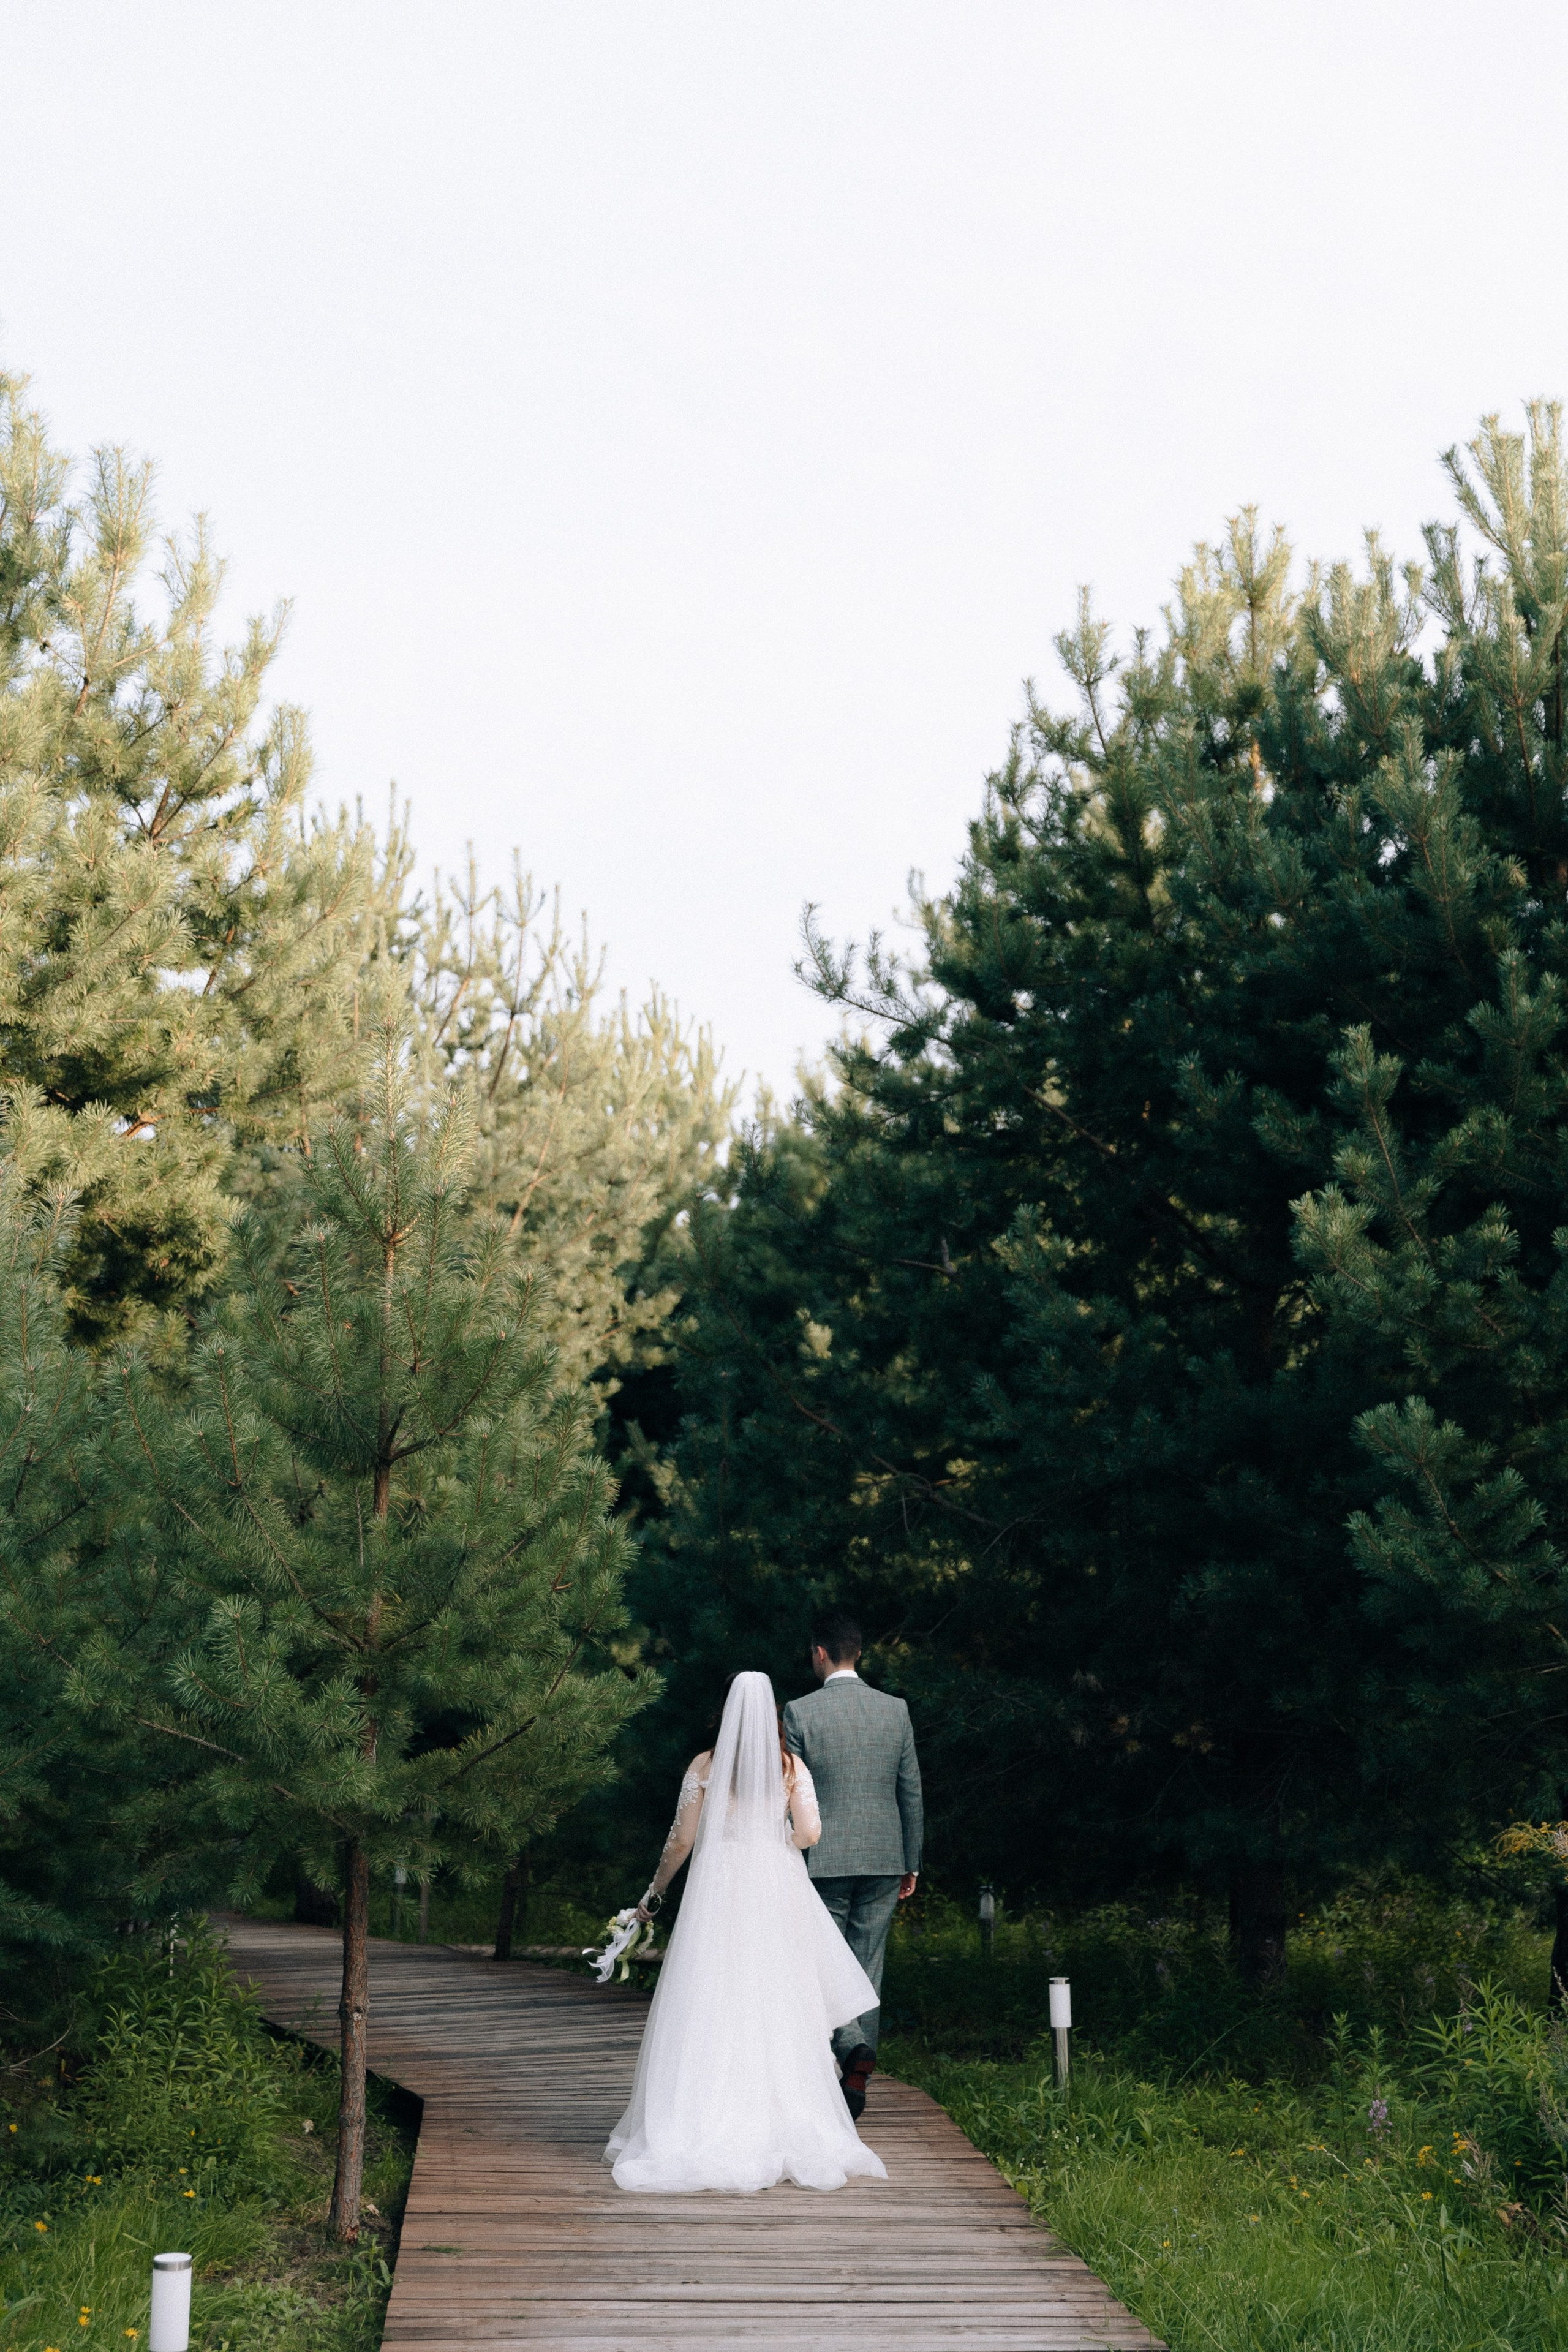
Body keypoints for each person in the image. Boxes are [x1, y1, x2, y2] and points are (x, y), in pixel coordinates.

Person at [604, 1670, 889, 2193]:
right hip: (775, 1891)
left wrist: (653, 1895)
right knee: (776, 1997)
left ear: (729, 1713)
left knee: (712, 1997)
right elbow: (809, 1833)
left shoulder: (705, 1767)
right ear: (772, 1717)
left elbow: (681, 1841)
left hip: (718, 1892)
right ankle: (784, 2118)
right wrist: (779, 1835)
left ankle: (699, 2118)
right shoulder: (789, 1768)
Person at [782, 1612, 922, 2120]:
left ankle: (845, 2051)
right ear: (856, 1653)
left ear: (820, 1653)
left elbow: (790, 1795)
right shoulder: (896, 1711)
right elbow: (910, 1789)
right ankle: (857, 2066)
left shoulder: (800, 1713)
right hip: (885, 1858)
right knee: (868, 1966)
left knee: (821, 1966)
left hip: (822, 1860)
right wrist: (913, 1861)